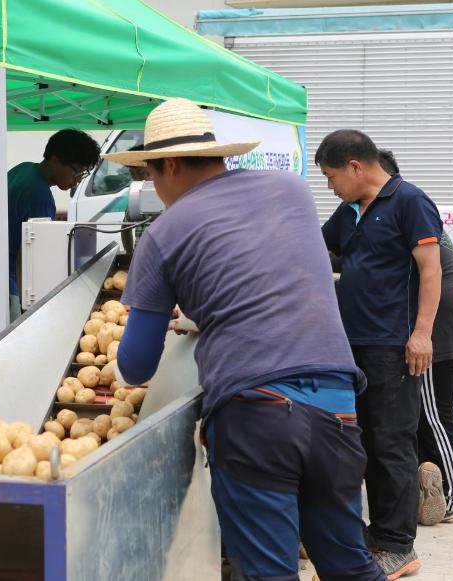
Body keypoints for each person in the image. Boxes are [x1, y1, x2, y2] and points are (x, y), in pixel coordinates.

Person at [109, 98, 385, 581]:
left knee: (269, 573)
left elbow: (136, 365)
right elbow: (267, 270)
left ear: (169, 164)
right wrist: (207, 311)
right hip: (338, 404)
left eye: (150, 174)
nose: (154, 187)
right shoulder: (291, 191)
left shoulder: (163, 233)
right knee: (349, 566)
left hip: (255, 415)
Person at [318, 131, 443, 579]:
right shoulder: (350, 210)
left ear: (355, 166)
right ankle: (377, 531)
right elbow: (318, 249)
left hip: (395, 345)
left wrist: (422, 335)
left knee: (392, 442)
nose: (331, 186)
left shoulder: (409, 201)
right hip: (351, 345)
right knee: (363, 440)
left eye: (332, 177)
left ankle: (397, 544)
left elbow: (431, 271)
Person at [379, 149, 453, 526]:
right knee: (422, 419)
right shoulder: (415, 217)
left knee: (434, 417)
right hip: (438, 332)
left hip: (438, 336)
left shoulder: (408, 214)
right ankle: (427, 488)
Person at [0, 129, 100, 339]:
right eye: (76, 171)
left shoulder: (23, 170)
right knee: (1, 354)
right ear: (56, 158)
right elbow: (30, 259)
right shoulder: (39, 195)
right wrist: (30, 308)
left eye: (82, 174)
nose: (77, 180)